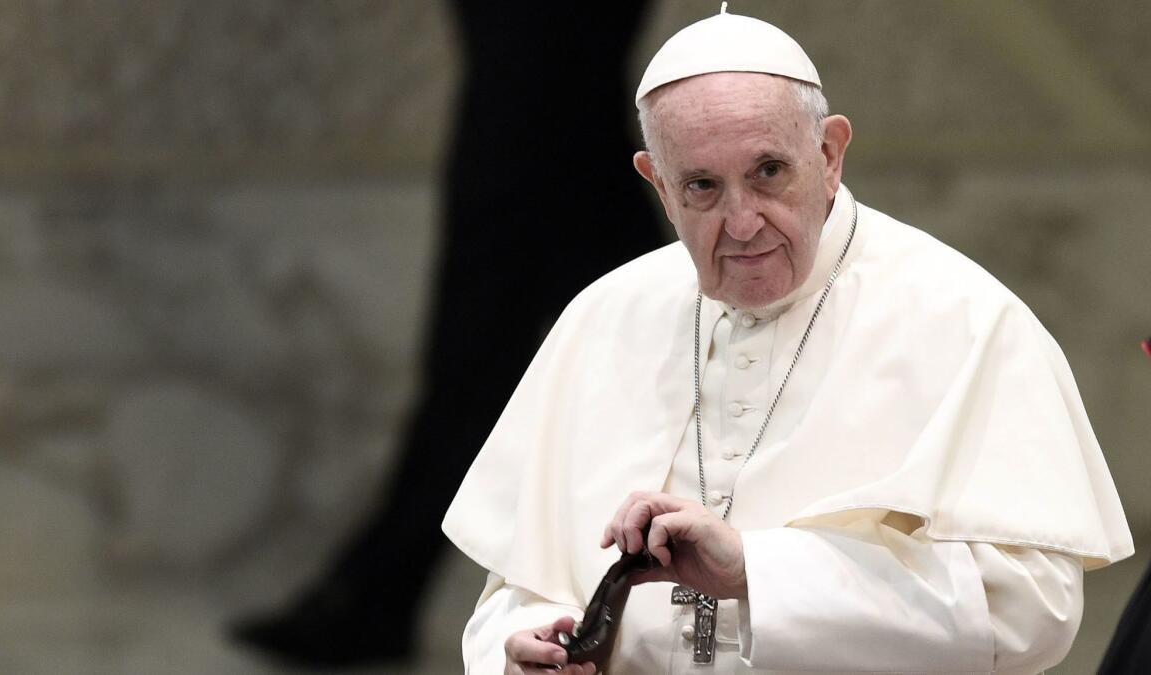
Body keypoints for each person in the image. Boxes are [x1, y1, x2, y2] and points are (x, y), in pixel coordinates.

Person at [442, 7, 1134, 674]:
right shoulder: (600, 319)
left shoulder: (968, 319)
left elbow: (1033, 612)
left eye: (768, 172)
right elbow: (515, 589)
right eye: (702, 187)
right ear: (658, 184)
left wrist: (754, 571)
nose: (741, 222)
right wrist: (518, 649)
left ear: (830, 154)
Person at [228, 1, 663, 668]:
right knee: (629, 352)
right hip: (541, 118)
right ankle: (378, 592)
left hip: (532, 125)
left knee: (499, 368)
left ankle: (377, 593)